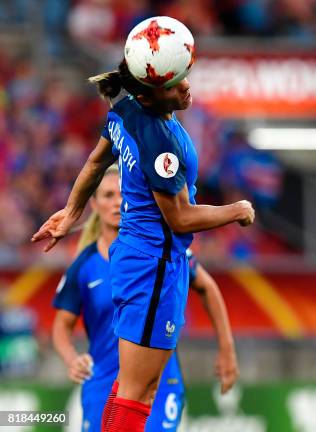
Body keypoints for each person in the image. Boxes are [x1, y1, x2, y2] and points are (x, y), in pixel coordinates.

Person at [31, 21, 255, 431]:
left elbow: (97, 161)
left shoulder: (126, 109)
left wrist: (72, 209)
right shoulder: (160, 143)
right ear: (150, 94)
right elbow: (180, 216)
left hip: (141, 258)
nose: (185, 88)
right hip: (153, 265)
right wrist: (235, 209)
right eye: (173, 86)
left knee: (139, 390)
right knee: (138, 392)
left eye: (185, 77)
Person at [52, 165, 238, 432]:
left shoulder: (160, 249)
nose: (117, 202)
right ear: (93, 203)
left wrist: (227, 349)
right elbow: (61, 325)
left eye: (122, 194)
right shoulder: (84, 266)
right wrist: (72, 359)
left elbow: (207, 287)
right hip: (103, 384)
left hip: (158, 386)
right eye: (107, 195)